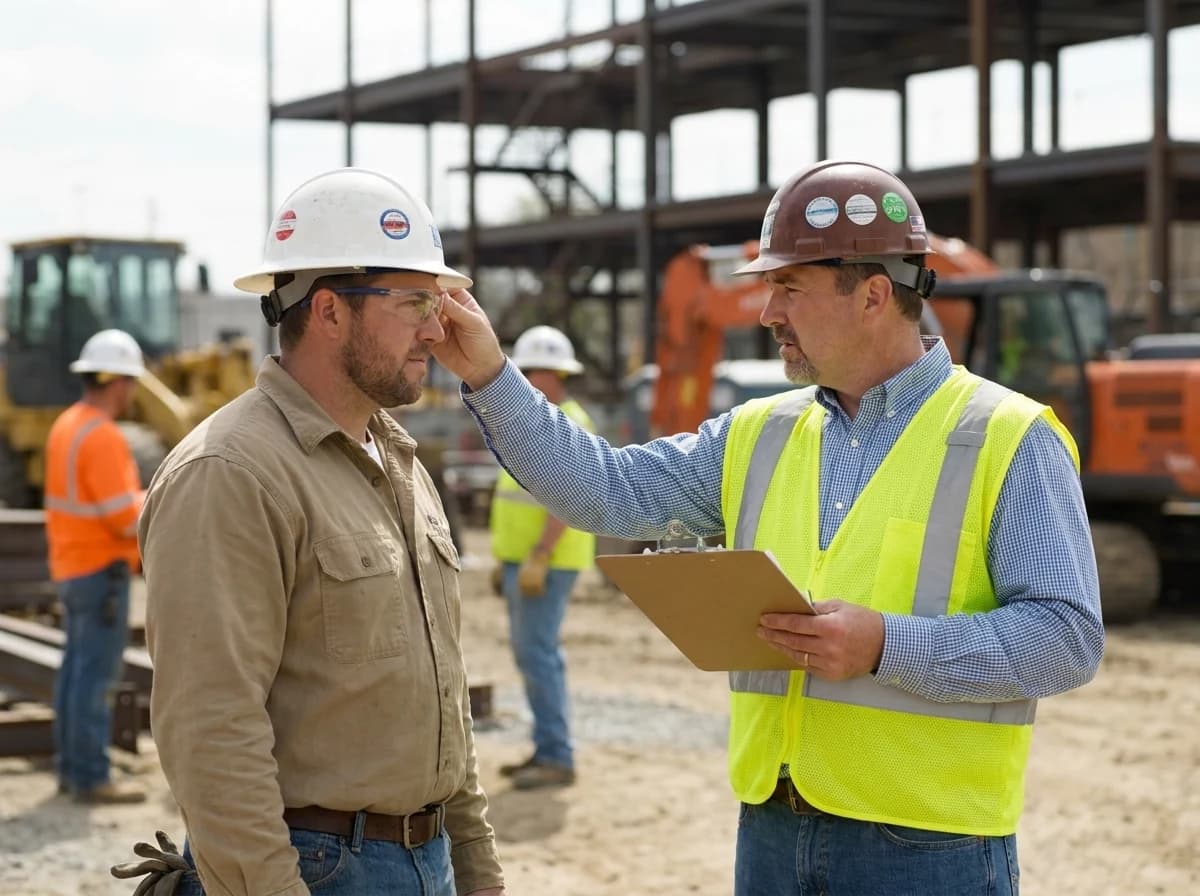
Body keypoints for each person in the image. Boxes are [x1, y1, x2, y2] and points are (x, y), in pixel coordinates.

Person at [432, 160, 1105, 895]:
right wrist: (492, 376)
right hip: (773, 831)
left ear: (874, 295)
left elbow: (1066, 638)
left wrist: (887, 645)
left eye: (789, 287)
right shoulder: (758, 435)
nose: (766, 313)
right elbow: (607, 490)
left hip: (929, 847)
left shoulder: (1008, 436)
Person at [135, 168, 505, 896]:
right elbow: (212, 731)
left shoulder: (399, 462)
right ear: (330, 311)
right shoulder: (230, 473)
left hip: (423, 863)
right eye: (414, 304)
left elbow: (440, 694)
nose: (437, 328)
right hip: (318, 870)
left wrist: (477, 869)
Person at [44, 328, 148, 805]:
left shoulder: (67, 423)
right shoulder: (102, 435)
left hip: (71, 566)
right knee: (96, 677)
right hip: (100, 569)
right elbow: (125, 519)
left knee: (75, 672)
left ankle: (72, 769)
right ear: (118, 383)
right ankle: (90, 777)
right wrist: (161, 498)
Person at [488, 325, 595, 790]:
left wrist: (539, 555)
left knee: (538, 654)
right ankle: (546, 749)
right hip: (526, 560)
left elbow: (570, 496)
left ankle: (555, 754)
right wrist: (508, 559)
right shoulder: (539, 419)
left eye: (535, 371)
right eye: (525, 370)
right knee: (532, 654)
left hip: (546, 562)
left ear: (557, 375)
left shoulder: (566, 421)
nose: (527, 380)